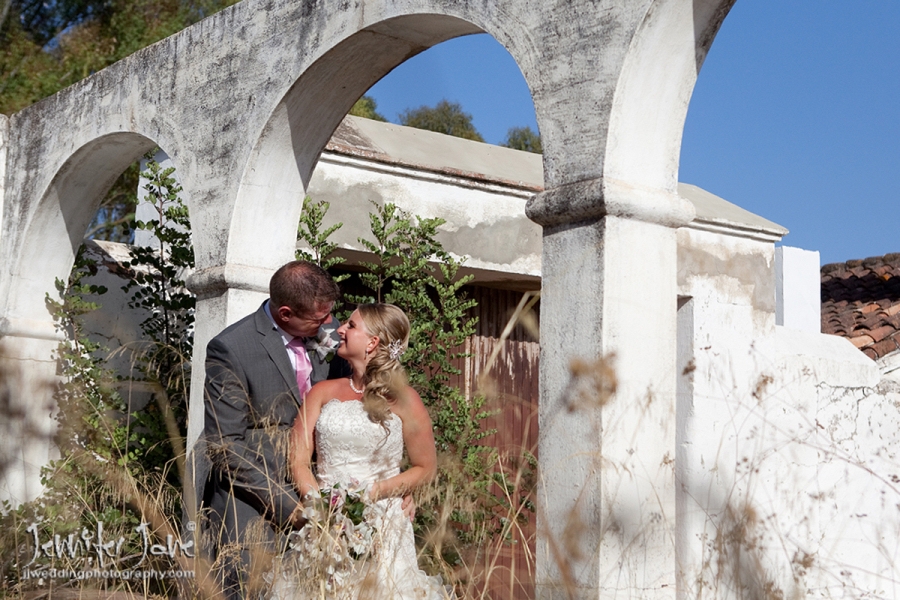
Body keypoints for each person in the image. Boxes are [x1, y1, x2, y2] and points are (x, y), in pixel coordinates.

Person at [274, 303, 451, 599]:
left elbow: (425, 467)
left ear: (373, 342)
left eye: (351, 326)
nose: (340, 329)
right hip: (324, 522)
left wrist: (371, 494)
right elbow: (299, 459)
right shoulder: (321, 392)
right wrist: (322, 507)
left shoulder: (405, 399)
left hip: (382, 523)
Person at [200, 260, 351, 600]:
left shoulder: (331, 331)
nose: (330, 324)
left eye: (330, 314)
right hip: (253, 504)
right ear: (285, 314)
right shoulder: (231, 349)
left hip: (328, 493)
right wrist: (290, 507)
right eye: (318, 318)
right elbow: (225, 445)